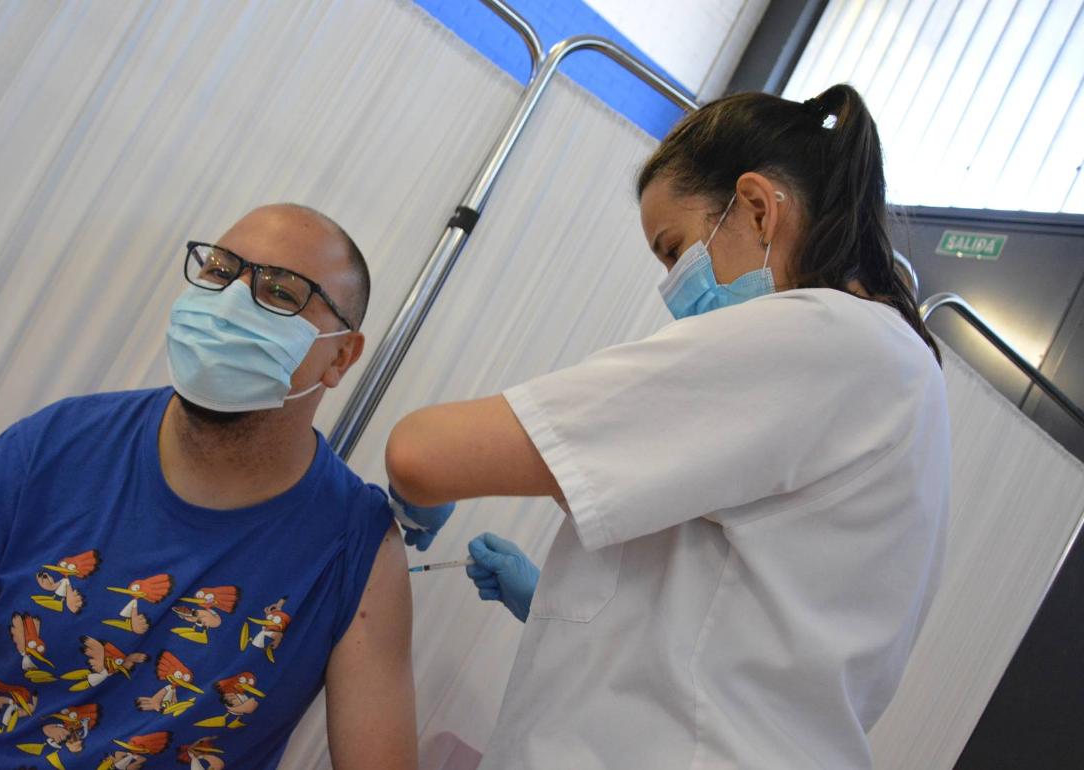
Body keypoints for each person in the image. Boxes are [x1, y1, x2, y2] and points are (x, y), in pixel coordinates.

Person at [386, 85, 950, 769]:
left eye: (674, 249)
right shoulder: (889, 368)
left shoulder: (821, 337)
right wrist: (557, 605)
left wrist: (430, 482)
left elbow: (421, 451)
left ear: (758, 208)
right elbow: (736, 596)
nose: (673, 286)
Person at [0, 204, 417, 769]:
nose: (233, 303)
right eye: (219, 270)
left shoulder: (357, 552)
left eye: (281, 292)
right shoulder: (56, 447)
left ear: (341, 356)